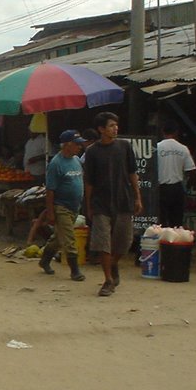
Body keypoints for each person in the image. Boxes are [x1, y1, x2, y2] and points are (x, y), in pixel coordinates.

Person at [83, 111, 143, 297]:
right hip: (101, 203)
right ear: (101, 129)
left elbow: (133, 173)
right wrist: (89, 205)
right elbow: (89, 181)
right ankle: (108, 280)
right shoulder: (92, 152)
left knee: (124, 242)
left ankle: (113, 263)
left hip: (123, 200)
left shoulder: (124, 147)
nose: (115, 128)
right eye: (111, 126)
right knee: (103, 243)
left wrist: (137, 197)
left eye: (116, 125)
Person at [38, 130, 87, 281]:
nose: (79, 147)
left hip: (74, 206)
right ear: (67, 145)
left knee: (59, 237)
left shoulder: (76, 160)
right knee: (69, 238)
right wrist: (51, 212)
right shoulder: (56, 164)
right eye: (76, 144)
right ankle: (75, 270)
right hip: (61, 206)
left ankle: (45, 259)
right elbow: (50, 190)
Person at [157, 122, 196, 227]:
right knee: (176, 221)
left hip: (161, 188)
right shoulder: (183, 149)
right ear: (176, 132)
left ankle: (163, 241)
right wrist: (188, 187)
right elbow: (192, 170)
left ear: (162, 132)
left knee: (161, 220)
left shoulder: (156, 148)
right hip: (177, 188)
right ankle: (175, 241)